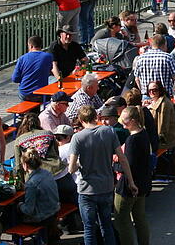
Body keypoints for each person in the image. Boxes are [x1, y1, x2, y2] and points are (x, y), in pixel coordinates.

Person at [68, 105, 137, 245]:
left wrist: (80, 164)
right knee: (106, 225)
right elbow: (122, 158)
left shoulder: (77, 138)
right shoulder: (108, 131)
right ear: (96, 117)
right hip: (106, 187)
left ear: (81, 120)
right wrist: (131, 181)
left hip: (87, 189)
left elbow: (71, 169)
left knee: (89, 228)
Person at [114, 107, 152, 245]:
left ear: (134, 121)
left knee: (121, 220)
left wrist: (115, 166)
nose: (123, 123)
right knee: (139, 217)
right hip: (143, 182)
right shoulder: (144, 134)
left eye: (125, 121)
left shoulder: (132, 140)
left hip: (130, 185)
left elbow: (128, 165)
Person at [17, 149, 61, 244]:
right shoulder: (47, 173)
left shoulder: (31, 184)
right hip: (54, 210)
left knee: (12, 215)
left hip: (42, 217)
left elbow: (29, 210)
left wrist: (19, 205)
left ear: (25, 165)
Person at [11, 35, 53, 102]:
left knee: (23, 95)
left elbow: (15, 79)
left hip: (25, 93)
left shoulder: (22, 58)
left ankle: (24, 111)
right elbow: (50, 71)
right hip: (41, 94)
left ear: (30, 46)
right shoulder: (48, 57)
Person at [144, 81, 175, 152]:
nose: (151, 92)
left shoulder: (164, 104)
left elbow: (163, 126)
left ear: (160, 90)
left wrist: (158, 143)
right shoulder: (154, 101)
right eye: (149, 90)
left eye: (154, 90)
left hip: (167, 143)